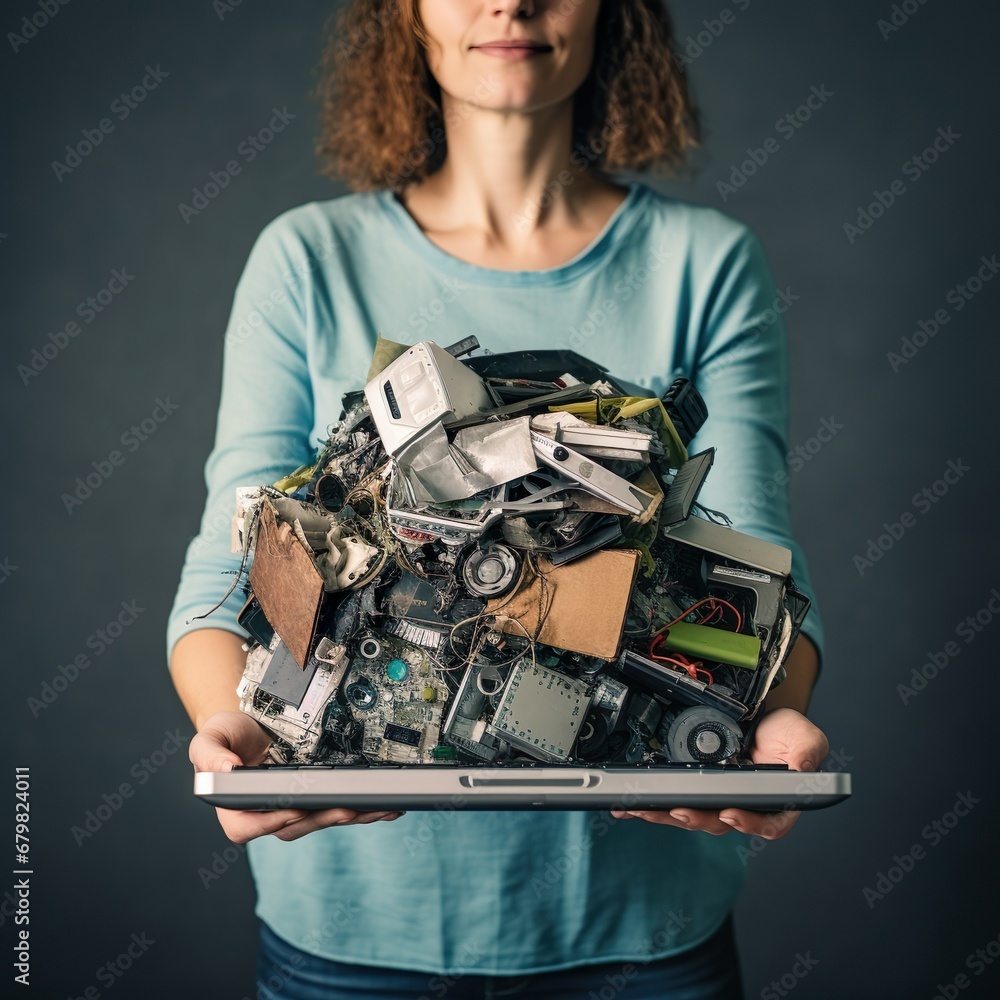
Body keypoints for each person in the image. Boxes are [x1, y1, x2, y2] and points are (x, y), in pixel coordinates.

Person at [167, 1, 830, 997]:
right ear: (404, 13)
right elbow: (233, 566)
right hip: (350, 931)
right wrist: (249, 731)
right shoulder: (305, 259)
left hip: (641, 932)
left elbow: (758, 569)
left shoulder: (705, 264)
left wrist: (768, 723)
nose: (510, 1)